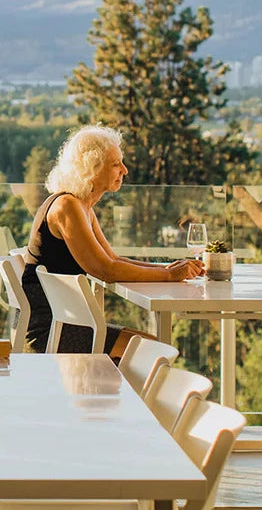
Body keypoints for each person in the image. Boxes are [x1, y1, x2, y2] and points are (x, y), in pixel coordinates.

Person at [21, 125, 204, 358]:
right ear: (91, 168)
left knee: (152, 348)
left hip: (65, 321)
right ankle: (113, 395)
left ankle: (111, 393)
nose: (125, 171)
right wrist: (168, 276)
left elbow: (113, 259)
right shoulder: (67, 206)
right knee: (152, 352)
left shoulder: (82, 206)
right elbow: (105, 270)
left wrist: (167, 268)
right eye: (116, 164)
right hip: (52, 329)